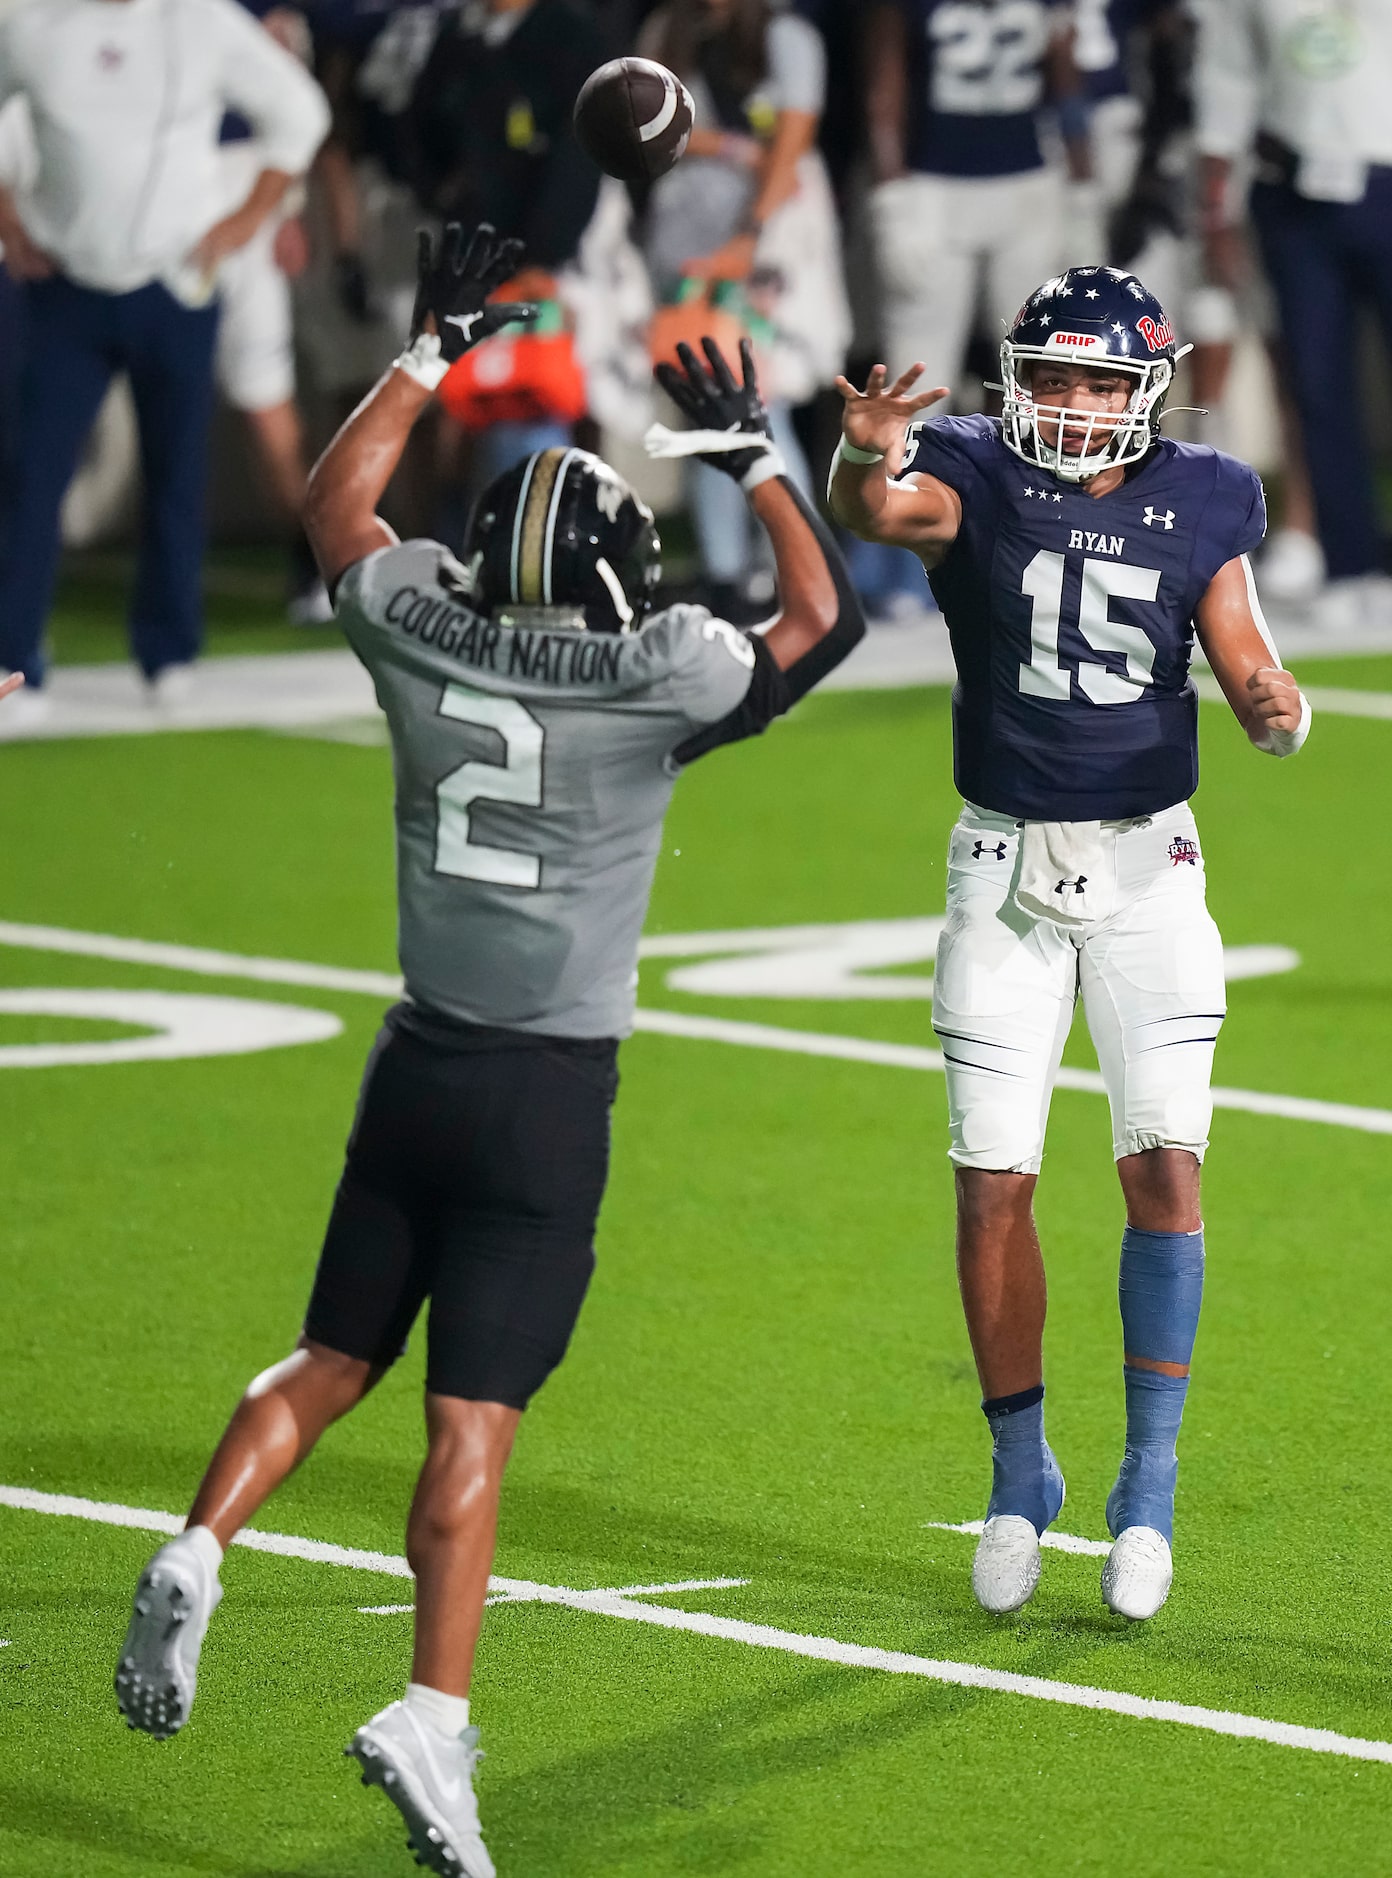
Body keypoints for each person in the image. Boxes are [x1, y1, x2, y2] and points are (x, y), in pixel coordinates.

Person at [113, 222, 865, 1878]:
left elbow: (334, 509)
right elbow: (824, 619)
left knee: (326, 1356)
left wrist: (429, 341)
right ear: (610, 586)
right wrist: (758, 454)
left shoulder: (415, 624)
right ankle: (430, 1712)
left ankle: (197, 1547)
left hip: (416, 1067)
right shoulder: (652, 672)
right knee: (471, 1429)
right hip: (543, 1096)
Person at [829, 265, 1310, 1623]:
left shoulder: (1204, 493)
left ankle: (1144, 1488)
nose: (1074, 402)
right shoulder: (973, 469)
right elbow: (883, 509)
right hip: (1004, 866)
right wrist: (857, 461)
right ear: (1015, 381)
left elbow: (1244, 656)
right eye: (1052, 375)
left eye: (1101, 381)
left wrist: (1274, 707)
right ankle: (1013, 1471)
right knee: (992, 1181)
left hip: (1152, 866)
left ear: (1146, 391)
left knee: (1164, 1160)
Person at [0, 0, 329, 709]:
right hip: (62, 286)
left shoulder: (202, 22)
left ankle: (168, 650)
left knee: (177, 475)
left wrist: (247, 219)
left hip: (176, 285)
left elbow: (300, 114)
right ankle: (13, 656)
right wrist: (5, 213)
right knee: (30, 478)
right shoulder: (26, 22)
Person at [640, 0, 847, 614]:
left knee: (760, 406)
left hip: (767, 238)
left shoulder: (786, 34)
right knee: (706, 411)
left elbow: (790, 144)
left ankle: (797, 566)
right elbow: (644, 130)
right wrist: (730, 146)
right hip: (685, 242)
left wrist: (747, 240)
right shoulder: (669, 28)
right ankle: (725, 575)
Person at [1194, 0, 1392, 627]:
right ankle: (1350, 563)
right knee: (1316, 383)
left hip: (1386, 175)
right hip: (1295, 194)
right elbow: (1226, 81)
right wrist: (1217, 213)